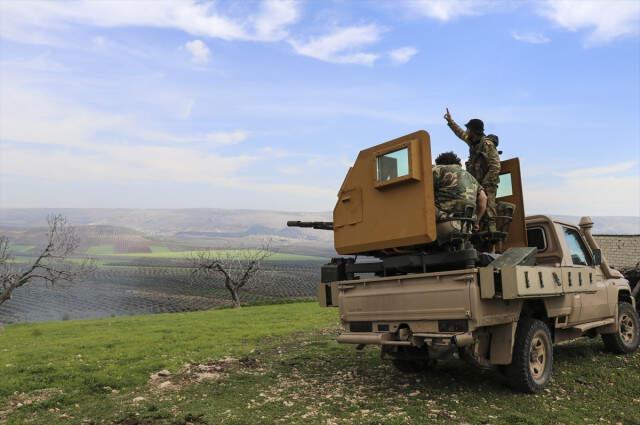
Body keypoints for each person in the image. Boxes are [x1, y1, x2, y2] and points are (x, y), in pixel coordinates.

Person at [443, 108, 500, 231]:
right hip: (477, 183)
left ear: (474, 131)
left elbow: (495, 166)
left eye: (469, 129)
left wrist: (486, 183)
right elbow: (460, 133)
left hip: (487, 183)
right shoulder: (473, 141)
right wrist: (450, 121)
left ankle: (493, 241)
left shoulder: (487, 144)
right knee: (475, 209)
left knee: (489, 212)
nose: (467, 131)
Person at [432, 151, 487, 239]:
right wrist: (476, 223)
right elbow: (483, 199)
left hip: (444, 225)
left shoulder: (438, 169)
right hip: (466, 228)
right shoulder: (471, 177)